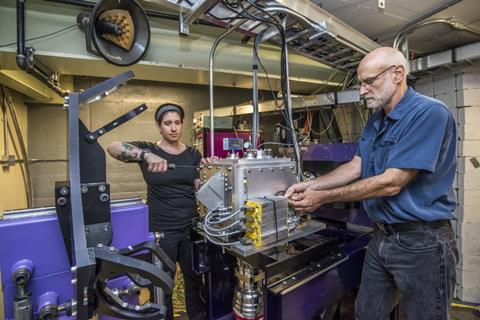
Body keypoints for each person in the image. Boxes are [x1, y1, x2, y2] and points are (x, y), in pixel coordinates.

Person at [286, 47, 458, 320]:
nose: (362, 91)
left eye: (369, 81)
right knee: (367, 313)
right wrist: (313, 186)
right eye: (360, 83)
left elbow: (392, 182)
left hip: (422, 241)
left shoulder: (429, 113)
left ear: (398, 74)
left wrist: (323, 199)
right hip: (381, 237)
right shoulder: (376, 120)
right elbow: (356, 165)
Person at [107, 103, 206, 320]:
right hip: (161, 231)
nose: (173, 128)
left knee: (195, 279)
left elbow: (201, 189)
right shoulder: (148, 149)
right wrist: (145, 155)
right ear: (159, 126)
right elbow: (113, 147)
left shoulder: (192, 154)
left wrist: (213, 172)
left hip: (191, 228)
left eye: (177, 123)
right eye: (168, 123)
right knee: (161, 284)